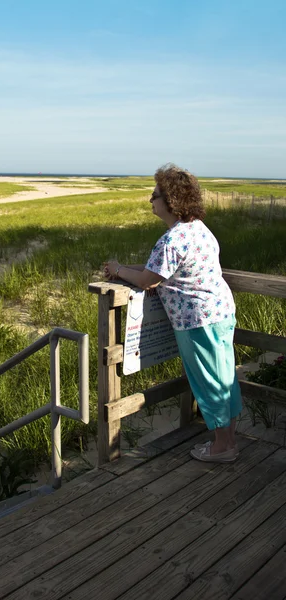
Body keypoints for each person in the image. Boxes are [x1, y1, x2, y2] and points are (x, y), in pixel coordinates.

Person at [104, 163, 243, 463]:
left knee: (209, 382)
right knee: (225, 377)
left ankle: (222, 448)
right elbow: (157, 272)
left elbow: (147, 280)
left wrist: (117, 270)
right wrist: (129, 270)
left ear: (171, 201)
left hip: (197, 321)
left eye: (154, 195)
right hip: (219, 313)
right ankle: (228, 440)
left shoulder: (172, 239)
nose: (150, 200)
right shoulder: (198, 230)